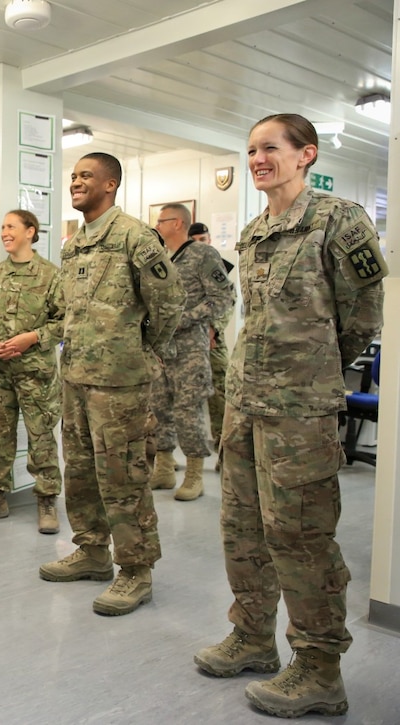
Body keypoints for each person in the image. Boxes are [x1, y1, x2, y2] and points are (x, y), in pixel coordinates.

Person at [194, 114, 386, 718]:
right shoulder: (255, 230)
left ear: (306, 154)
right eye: (251, 149)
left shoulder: (338, 219)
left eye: (270, 148)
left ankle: (320, 670)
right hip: (245, 404)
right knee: (241, 528)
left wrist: (313, 371)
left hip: (300, 412)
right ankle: (252, 637)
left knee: (301, 538)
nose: (257, 159)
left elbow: (362, 314)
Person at [38, 152, 184, 616]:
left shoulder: (134, 237)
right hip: (76, 376)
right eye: (73, 176)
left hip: (120, 384)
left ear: (110, 184)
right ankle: (92, 550)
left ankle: (136, 570)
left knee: (123, 476)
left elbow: (169, 303)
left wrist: (138, 349)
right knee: (80, 471)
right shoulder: (74, 245)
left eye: (86, 175)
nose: (76, 182)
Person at [0, 210, 64, 531]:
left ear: (30, 231)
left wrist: (32, 337)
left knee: (41, 436)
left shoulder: (51, 276)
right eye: (2, 227)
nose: (4, 232)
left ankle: (46, 499)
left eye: (11, 226)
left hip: (36, 373)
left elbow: (65, 320)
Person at [148, 203, 234, 500]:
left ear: (178, 223)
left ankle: (195, 474)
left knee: (188, 411)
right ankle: (163, 468)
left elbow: (222, 298)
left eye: (162, 220)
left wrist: (183, 319)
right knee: (159, 408)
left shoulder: (203, 255)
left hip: (190, 349)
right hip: (161, 349)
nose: (157, 225)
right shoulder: (160, 258)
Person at [188, 220, 237, 448]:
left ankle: (222, 446)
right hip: (186, 344)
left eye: (203, 240)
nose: (199, 244)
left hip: (213, 344)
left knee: (220, 397)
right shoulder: (181, 267)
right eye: (194, 241)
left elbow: (228, 301)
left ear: (210, 240)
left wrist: (212, 329)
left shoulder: (218, 268)